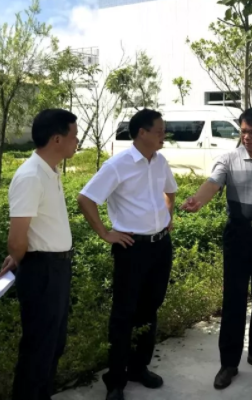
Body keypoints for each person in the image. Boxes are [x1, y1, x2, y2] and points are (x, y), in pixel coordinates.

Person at [180, 108, 252, 390]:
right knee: (233, 298)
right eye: (243, 131)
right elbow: (212, 183)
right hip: (237, 235)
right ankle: (228, 364)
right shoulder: (229, 159)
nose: (246, 137)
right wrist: (197, 200)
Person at [77, 108, 177, 400]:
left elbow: (170, 191)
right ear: (141, 133)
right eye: (159, 131)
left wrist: (166, 216)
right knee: (124, 313)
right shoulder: (118, 165)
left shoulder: (160, 161)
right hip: (132, 248)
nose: (163, 136)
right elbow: (86, 198)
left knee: (150, 308)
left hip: (161, 246)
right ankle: (116, 379)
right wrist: (105, 233)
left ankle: (138, 367)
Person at [1, 109, 79, 400]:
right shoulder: (31, 176)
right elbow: (17, 237)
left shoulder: (49, 171)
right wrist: (18, 257)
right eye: (74, 135)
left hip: (56, 269)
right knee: (38, 348)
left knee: (53, 344)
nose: (77, 141)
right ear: (57, 139)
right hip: (41, 270)